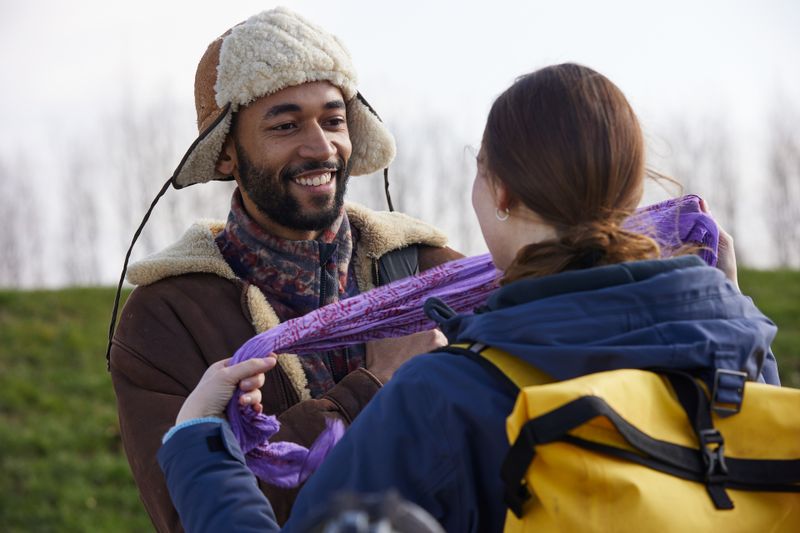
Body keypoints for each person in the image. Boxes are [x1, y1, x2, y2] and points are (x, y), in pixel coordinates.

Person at [157, 63, 781, 532]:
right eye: (286, 124)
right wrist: (717, 303)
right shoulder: (740, 351)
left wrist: (198, 440)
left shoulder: (445, 395)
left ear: (501, 193)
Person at [109, 7, 460, 532]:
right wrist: (373, 386)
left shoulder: (435, 276)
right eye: (286, 124)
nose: (321, 148)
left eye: (335, 120)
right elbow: (191, 516)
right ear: (226, 153)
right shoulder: (165, 320)